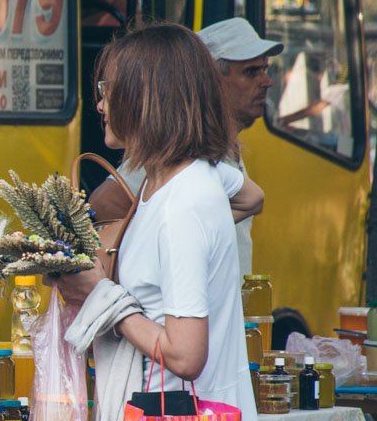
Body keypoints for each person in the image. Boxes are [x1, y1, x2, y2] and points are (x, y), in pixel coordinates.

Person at [57, 23, 262, 421]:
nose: (99, 103)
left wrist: (106, 302)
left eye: (107, 89)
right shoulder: (174, 185)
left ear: (147, 97)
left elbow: (185, 350)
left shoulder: (180, 204)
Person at [90, 17, 281, 277]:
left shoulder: (216, 149)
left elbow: (253, 199)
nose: (266, 81)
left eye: (265, 70)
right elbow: (105, 203)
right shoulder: (179, 155)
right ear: (211, 80)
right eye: (251, 71)